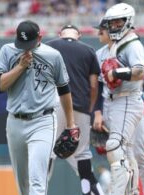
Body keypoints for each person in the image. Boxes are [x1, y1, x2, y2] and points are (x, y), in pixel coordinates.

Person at [0, 20, 76, 195]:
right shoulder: (7, 50)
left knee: (37, 180)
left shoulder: (53, 55)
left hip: (43, 121)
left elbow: (64, 90)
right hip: (15, 121)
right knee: (23, 184)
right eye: (21, 44)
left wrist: (70, 124)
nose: (25, 48)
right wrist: (20, 66)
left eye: (28, 43)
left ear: (40, 37)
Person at [95, 18, 144, 195]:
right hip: (111, 103)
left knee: (138, 152)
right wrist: (98, 113)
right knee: (122, 150)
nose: (99, 33)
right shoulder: (100, 54)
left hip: (129, 102)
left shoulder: (129, 47)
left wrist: (117, 73)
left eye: (102, 30)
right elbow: (98, 86)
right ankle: (130, 191)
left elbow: (139, 73)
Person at [46, 25, 104, 195]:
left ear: (60, 34)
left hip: (54, 105)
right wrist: (90, 108)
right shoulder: (89, 50)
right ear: (79, 35)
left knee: (48, 150)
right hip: (80, 106)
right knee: (82, 154)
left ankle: (38, 191)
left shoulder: (48, 46)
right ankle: (92, 192)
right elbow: (94, 86)